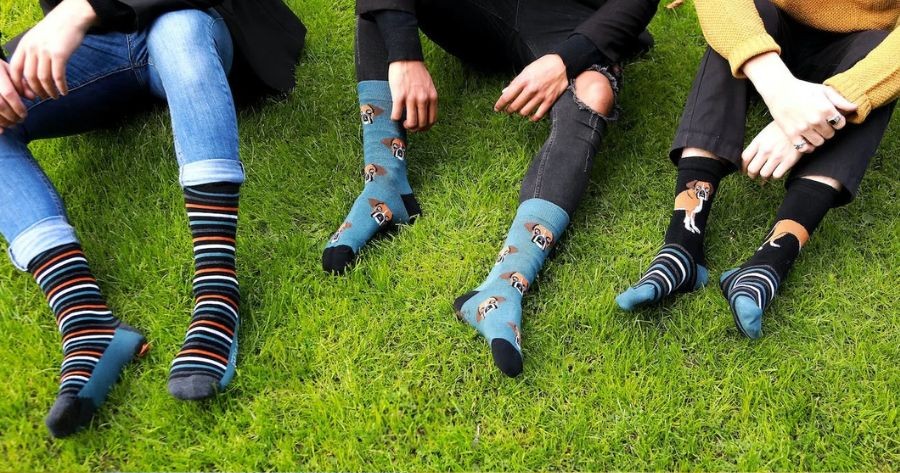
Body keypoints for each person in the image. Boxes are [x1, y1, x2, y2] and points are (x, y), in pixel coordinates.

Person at [0, 0, 305, 437]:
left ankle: (217, 289)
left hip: (194, 20)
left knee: (180, 31)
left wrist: (80, 8)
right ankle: (86, 320)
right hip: (92, 46)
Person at [325, 0, 659, 376]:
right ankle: (385, 183)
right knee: (383, 7)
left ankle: (502, 288)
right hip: (482, 11)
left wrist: (565, 61)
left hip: (572, 19)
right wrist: (404, 55)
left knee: (594, 92)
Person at [616, 0, 898, 338]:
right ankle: (682, 244)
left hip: (857, 51)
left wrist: (826, 106)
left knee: (879, 63)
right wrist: (780, 91)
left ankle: (770, 261)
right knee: (739, 21)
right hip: (771, 36)